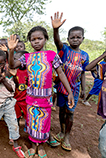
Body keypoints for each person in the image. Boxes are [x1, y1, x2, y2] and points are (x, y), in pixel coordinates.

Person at [8, 27, 74, 157]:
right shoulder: (26, 57)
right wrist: (11, 51)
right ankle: (33, 146)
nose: (36, 42)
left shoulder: (51, 55)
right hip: (31, 98)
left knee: (44, 122)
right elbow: (12, 65)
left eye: (40, 38)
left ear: (45, 39)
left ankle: (42, 145)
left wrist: (70, 92)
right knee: (32, 122)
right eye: (33, 39)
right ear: (29, 42)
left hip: (46, 98)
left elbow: (60, 73)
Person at [51, 12, 89, 151]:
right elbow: (57, 42)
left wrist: (84, 89)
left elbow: (83, 73)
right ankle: (61, 131)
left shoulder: (85, 55)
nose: (75, 39)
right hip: (61, 88)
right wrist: (55, 29)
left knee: (70, 113)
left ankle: (67, 136)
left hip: (74, 89)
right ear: (68, 38)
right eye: (72, 37)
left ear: (82, 39)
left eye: (78, 37)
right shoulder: (65, 49)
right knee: (61, 111)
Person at [84, 51, 106, 158]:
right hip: (99, 82)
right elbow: (88, 68)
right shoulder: (103, 67)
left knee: (103, 142)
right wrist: (102, 56)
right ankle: (85, 100)